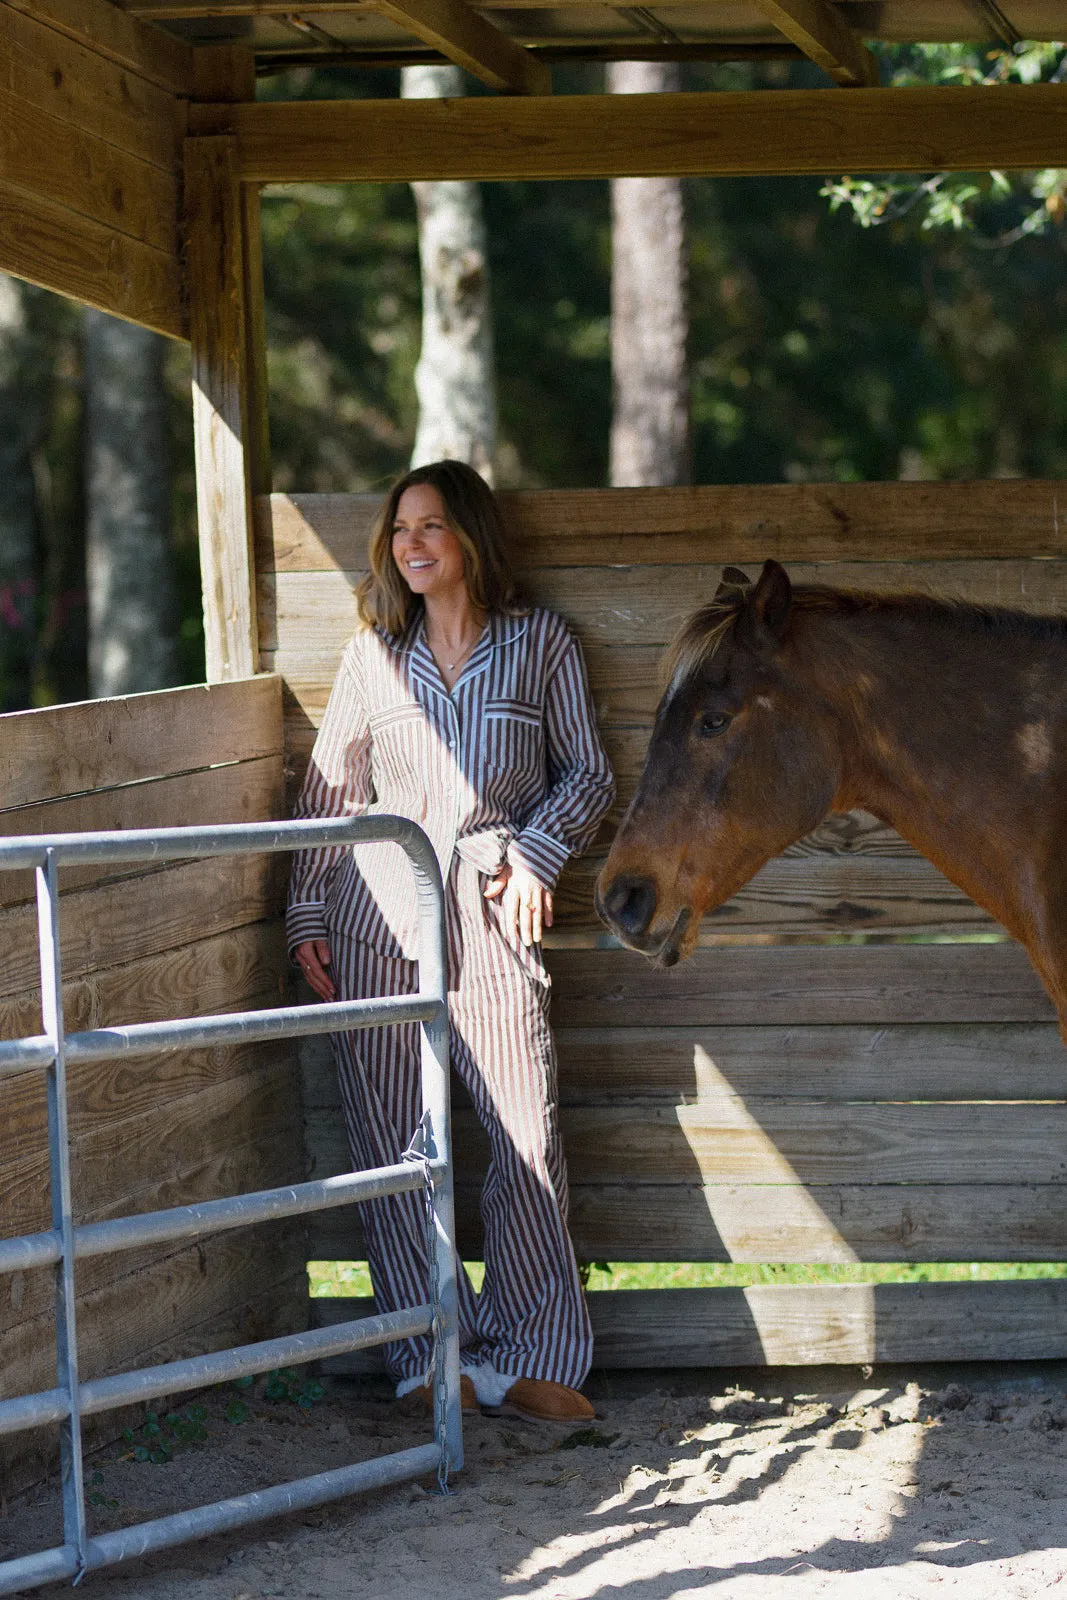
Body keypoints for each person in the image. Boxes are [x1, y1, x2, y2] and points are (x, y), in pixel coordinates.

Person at [287, 459, 615, 1423]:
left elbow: (587, 774)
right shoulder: (370, 658)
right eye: (399, 530)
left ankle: (531, 1355)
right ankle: (430, 1355)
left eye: (431, 526)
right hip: (376, 916)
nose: (412, 544)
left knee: (525, 1135)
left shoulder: (540, 642)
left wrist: (538, 859)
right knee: (396, 1145)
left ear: (470, 536)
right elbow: (330, 798)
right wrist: (309, 912)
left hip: (489, 906)